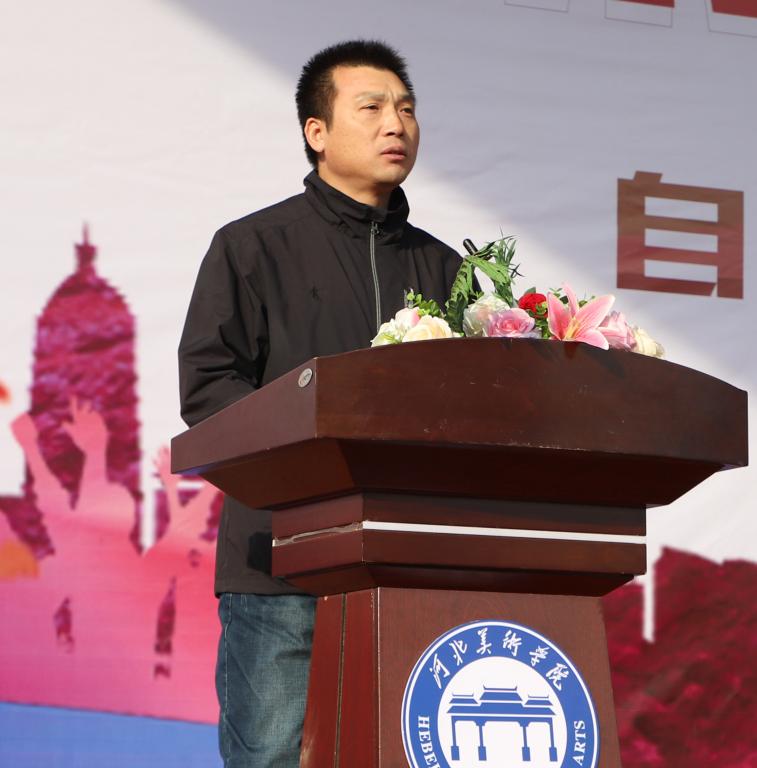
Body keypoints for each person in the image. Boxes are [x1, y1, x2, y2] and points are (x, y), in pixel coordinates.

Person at [178, 39, 465, 768]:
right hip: (280, 563)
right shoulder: (253, 247)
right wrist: (309, 466)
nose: (395, 124)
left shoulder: (446, 269)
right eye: (371, 108)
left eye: (406, 109)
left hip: (407, 567)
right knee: (272, 758)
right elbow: (209, 386)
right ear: (317, 132)